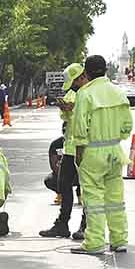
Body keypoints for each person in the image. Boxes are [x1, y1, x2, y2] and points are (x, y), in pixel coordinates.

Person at [70, 55, 132, 255]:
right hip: (115, 151)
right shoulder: (118, 92)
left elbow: (80, 127)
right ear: (106, 70)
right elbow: (127, 126)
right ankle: (119, 240)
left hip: (93, 152)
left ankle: (95, 242)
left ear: (86, 73)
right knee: (115, 199)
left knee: (93, 199)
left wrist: (79, 150)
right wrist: (114, 138)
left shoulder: (85, 94)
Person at [40, 63, 88, 240]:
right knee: (63, 185)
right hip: (70, 146)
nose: (74, 86)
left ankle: (86, 225)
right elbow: (67, 119)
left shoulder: (90, 93)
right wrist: (66, 109)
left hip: (86, 147)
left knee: (86, 189)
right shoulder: (72, 93)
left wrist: (73, 109)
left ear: (81, 77)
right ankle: (62, 224)